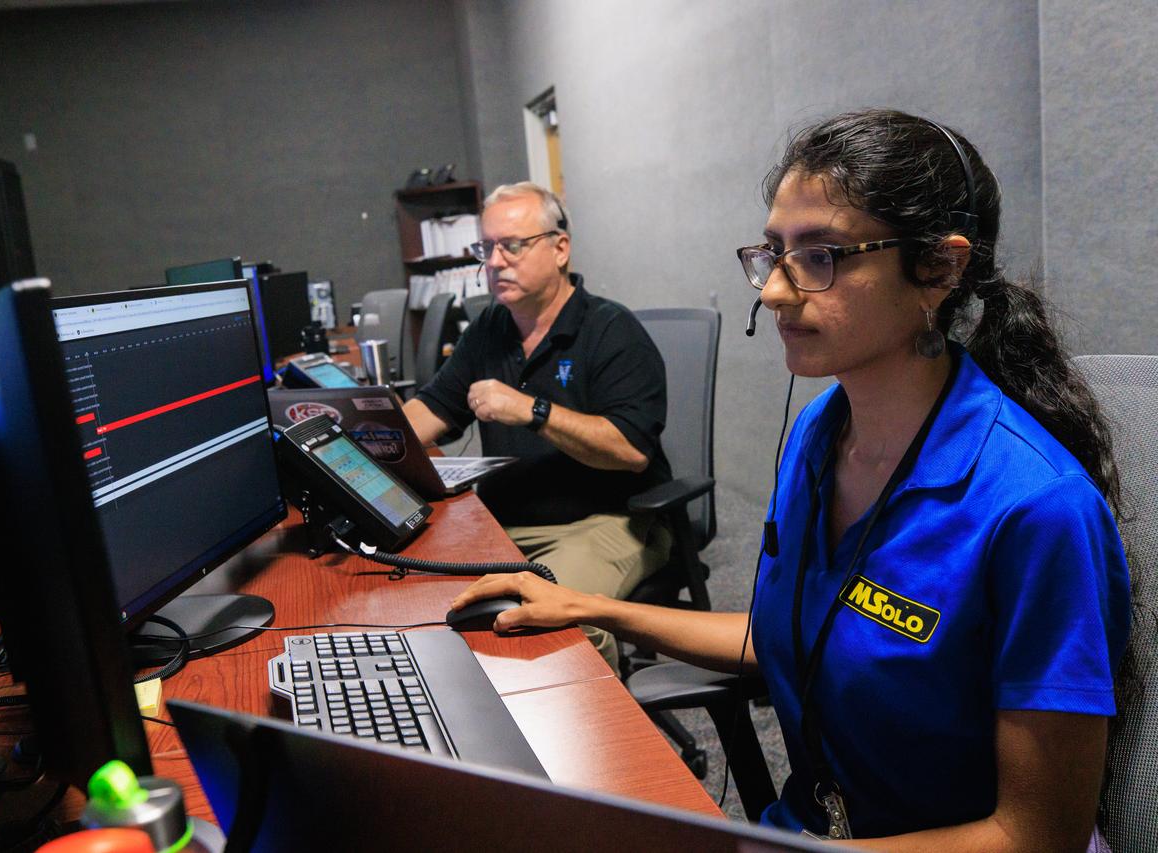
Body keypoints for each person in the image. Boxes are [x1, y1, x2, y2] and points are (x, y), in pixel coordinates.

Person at [449, 111, 1131, 851]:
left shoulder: (1037, 509)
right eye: (773, 253)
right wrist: (593, 607)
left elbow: (1038, 834)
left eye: (821, 256)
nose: (774, 291)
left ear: (939, 267)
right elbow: (795, 636)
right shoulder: (819, 434)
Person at [402, 182, 673, 674]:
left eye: (513, 245)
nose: (496, 261)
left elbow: (631, 450)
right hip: (505, 525)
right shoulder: (491, 328)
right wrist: (358, 441)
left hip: (607, 522)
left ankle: (609, 745)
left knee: (558, 619)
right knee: (419, 600)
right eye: (486, 248)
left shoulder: (611, 330)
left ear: (560, 248)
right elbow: (430, 412)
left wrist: (533, 410)